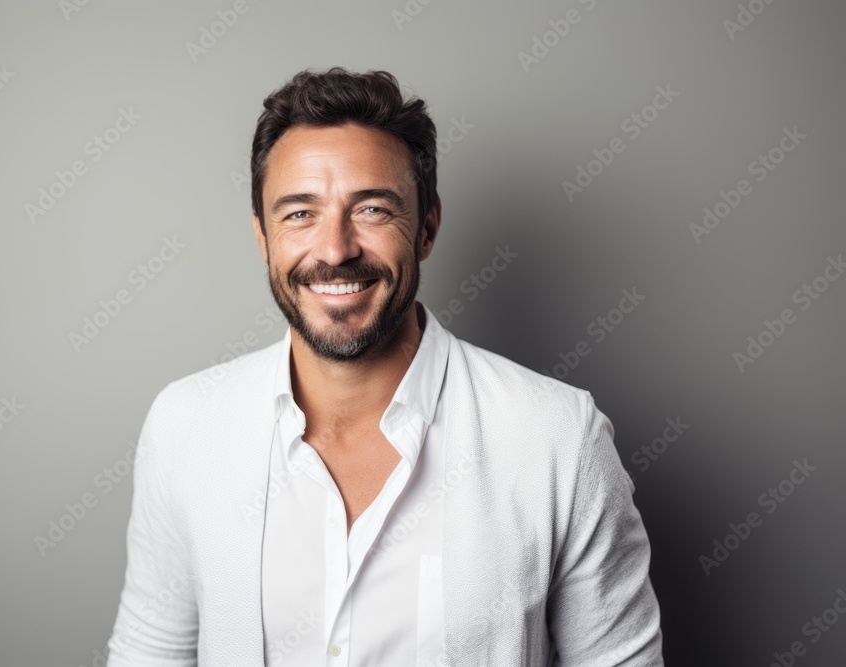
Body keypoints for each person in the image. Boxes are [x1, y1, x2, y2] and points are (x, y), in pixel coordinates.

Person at [106, 66, 664, 666]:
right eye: (299, 214)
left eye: (371, 209)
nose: (336, 248)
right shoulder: (185, 427)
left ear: (426, 227)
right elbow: (149, 656)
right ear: (263, 238)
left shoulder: (558, 440)